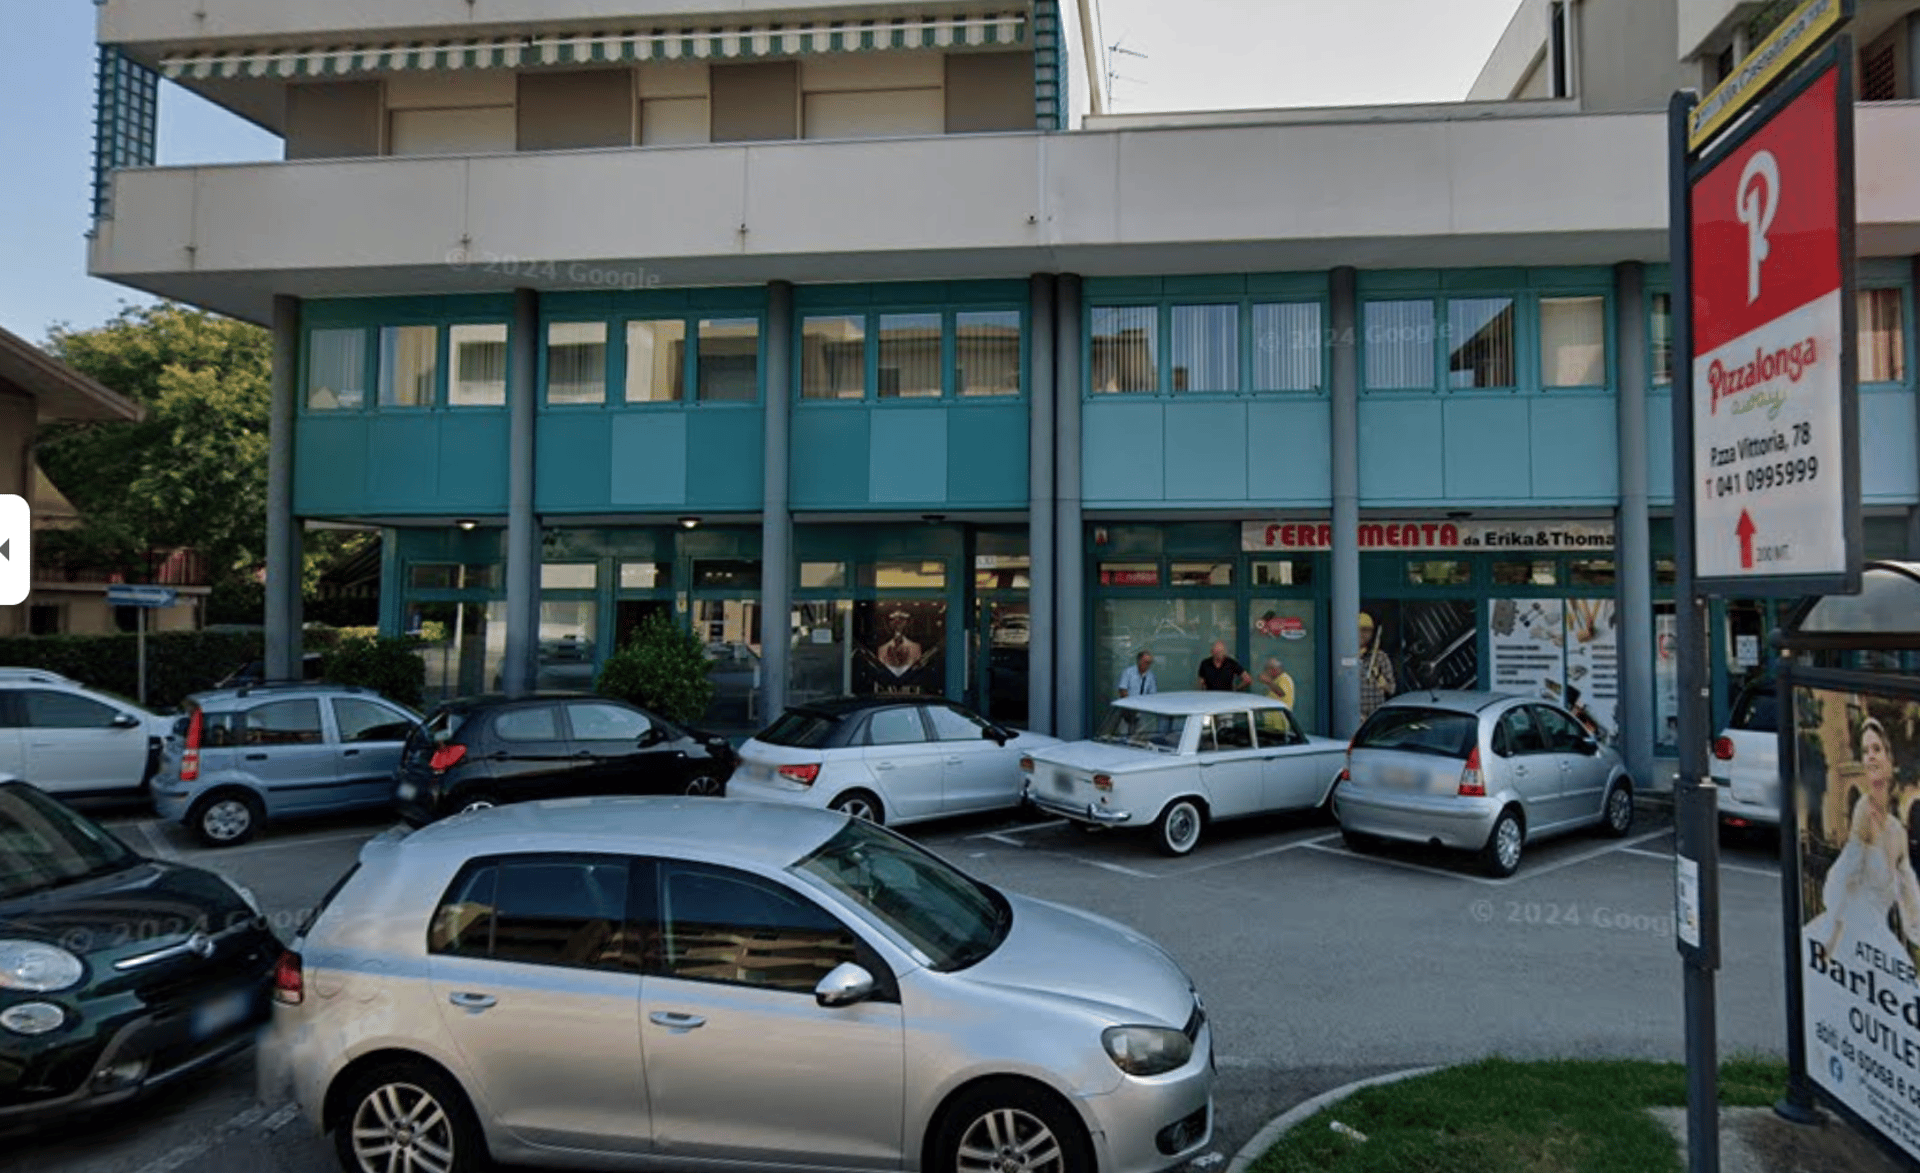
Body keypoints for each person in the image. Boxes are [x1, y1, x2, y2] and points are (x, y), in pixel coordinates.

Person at [1804, 717, 1920, 981]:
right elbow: (1843, 879)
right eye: (1865, 751)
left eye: (1876, 749)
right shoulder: (1863, 811)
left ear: (1891, 759)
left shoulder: (1896, 830)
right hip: (1853, 941)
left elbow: (1910, 900)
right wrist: (1829, 944)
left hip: (1879, 943)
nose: (1870, 757)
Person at [1358, 612, 1396, 720]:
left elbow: (1392, 689)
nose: (1361, 633)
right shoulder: (1346, 658)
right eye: (1358, 629)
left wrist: (1380, 679)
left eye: (1366, 630)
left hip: (1375, 718)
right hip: (1353, 717)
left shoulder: (1381, 657)